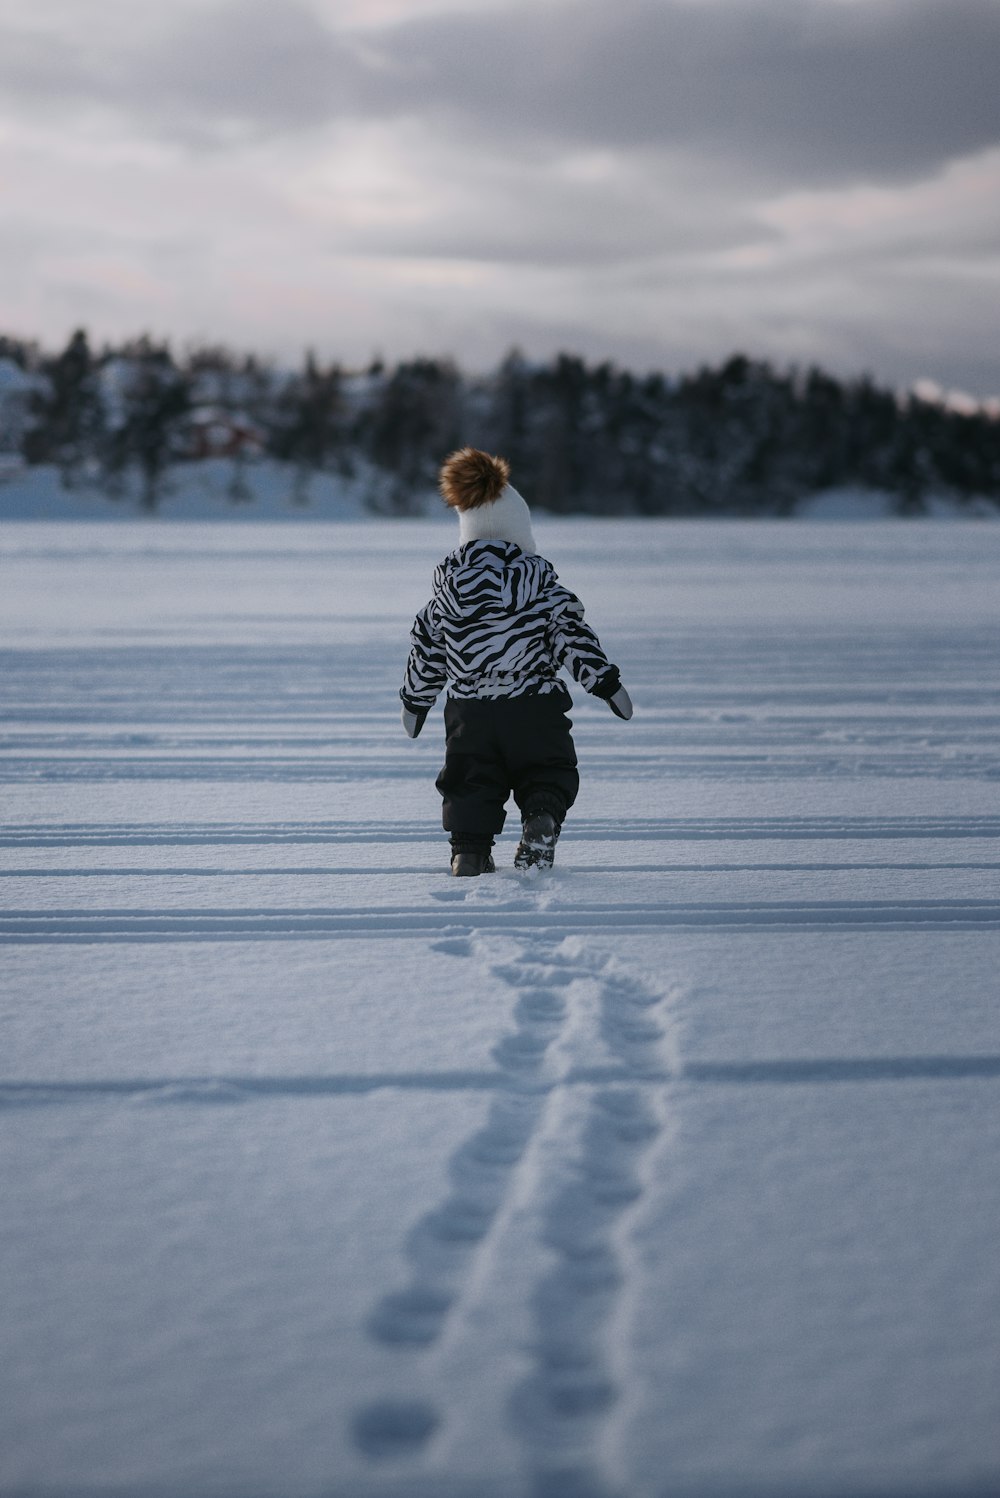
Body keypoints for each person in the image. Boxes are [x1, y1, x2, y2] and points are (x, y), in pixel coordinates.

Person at [399, 447, 633, 877]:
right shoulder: (542, 590)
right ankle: (540, 817)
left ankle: (468, 852)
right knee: (546, 769)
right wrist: (605, 683)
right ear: (521, 532)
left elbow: (427, 652)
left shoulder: (445, 598)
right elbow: (572, 637)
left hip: (470, 711)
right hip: (534, 704)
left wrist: (415, 703)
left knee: (469, 781)